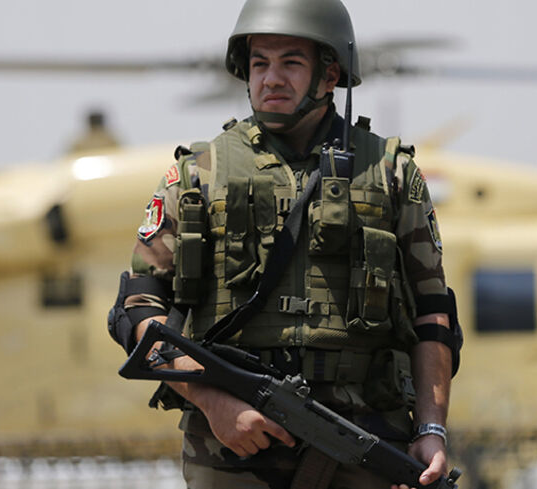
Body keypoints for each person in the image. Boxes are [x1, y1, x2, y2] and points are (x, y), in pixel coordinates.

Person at [107, 1, 462, 488]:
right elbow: (137, 311)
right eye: (259, 63)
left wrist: (431, 428)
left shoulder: (391, 173)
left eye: (290, 63)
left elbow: (433, 314)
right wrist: (213, 402)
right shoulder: (196, 175)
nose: (270, 79)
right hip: (233, 448)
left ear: (329, 73)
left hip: (368, 439)